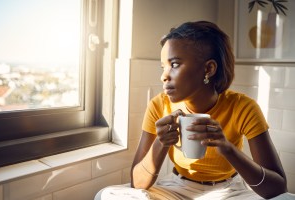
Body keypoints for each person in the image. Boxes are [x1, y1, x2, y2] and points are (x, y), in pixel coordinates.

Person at [95, 21, 295, 200]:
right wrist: (161, 143)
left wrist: (227, 148)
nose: (164, 76)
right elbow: (137, 184)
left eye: (174, 64)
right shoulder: (159, 105)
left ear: (208, 69)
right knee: (107, 195)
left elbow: (278, 188)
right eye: (162, 67)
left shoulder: (243, 107)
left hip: (230, 191)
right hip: (176, 188)